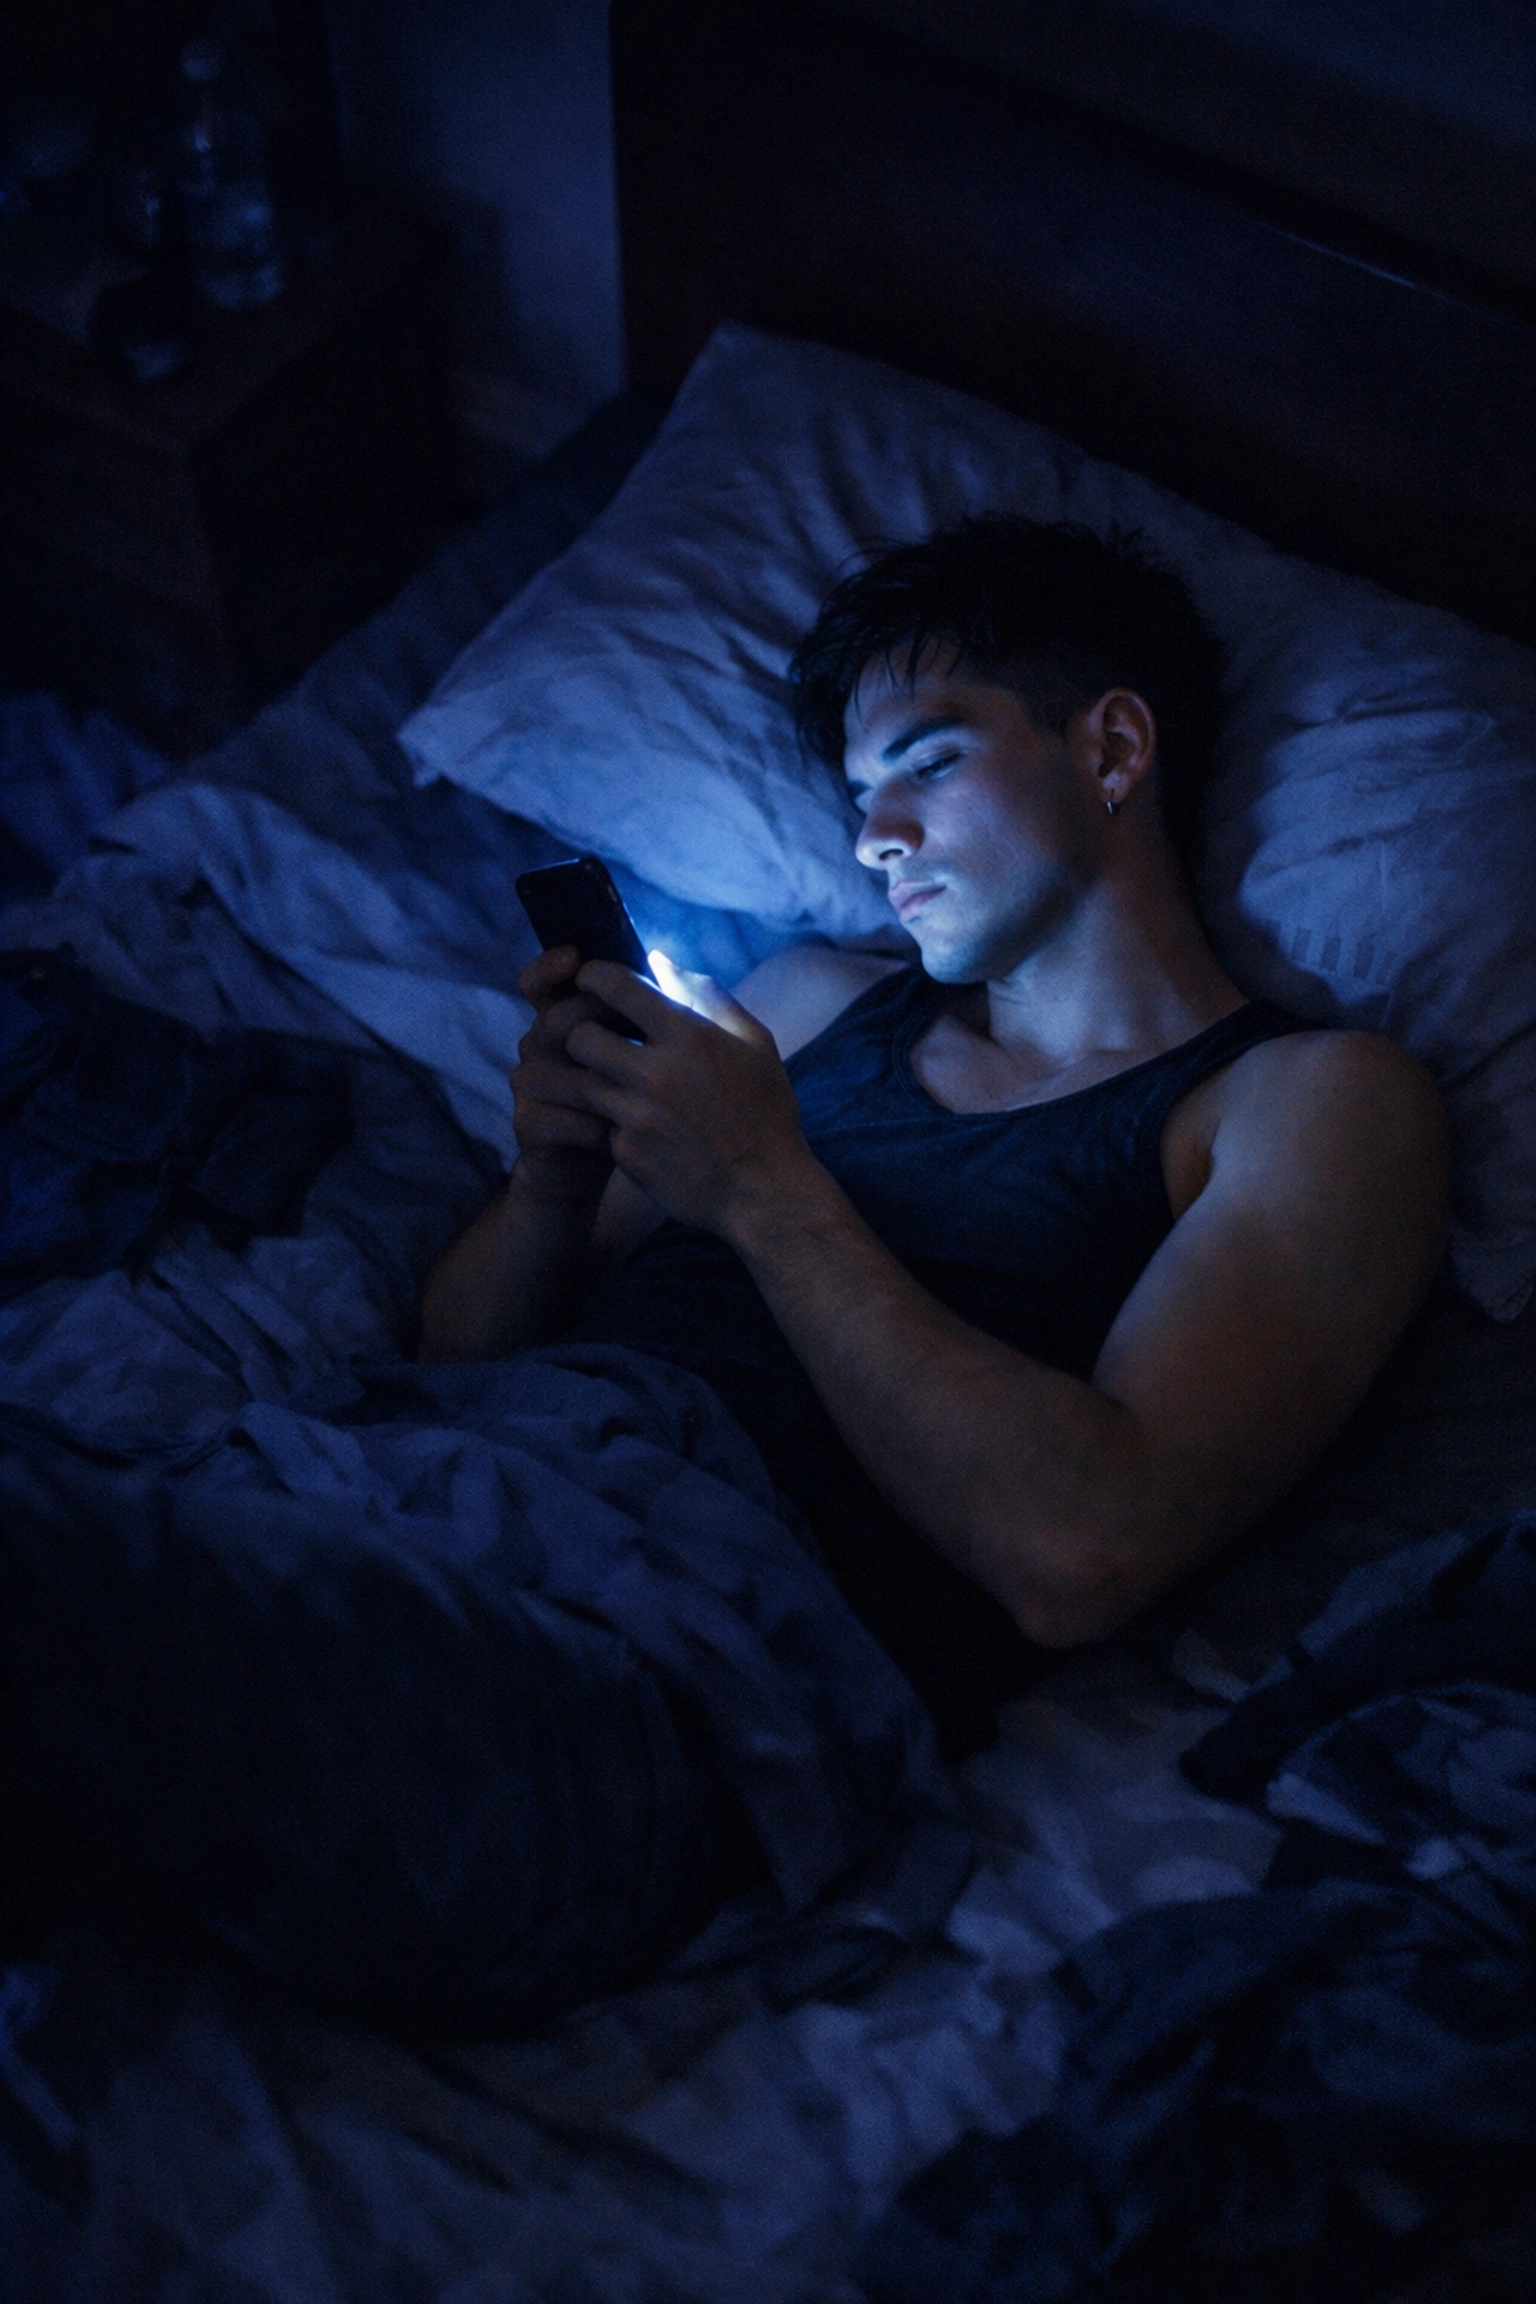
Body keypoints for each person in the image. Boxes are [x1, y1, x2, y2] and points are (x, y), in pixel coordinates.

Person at [421, 516, 1447, 1758]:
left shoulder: (1312, 1104)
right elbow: (451, 1359)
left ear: (1113, 746)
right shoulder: (802, 1006)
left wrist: (763, 1191)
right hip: (432, 1487)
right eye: (860, 796)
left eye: (930, 763)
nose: (872, 839)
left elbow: (1077, 1556)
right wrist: (552, 1183)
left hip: (659, 1649)